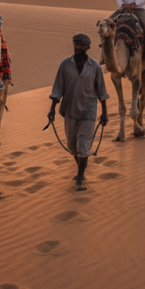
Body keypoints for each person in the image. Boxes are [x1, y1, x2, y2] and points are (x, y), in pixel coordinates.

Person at [48, 33, 109, 191]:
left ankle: (79, 180)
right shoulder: (65, 65)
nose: (78, 47)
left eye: (81, 44)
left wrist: (104, 112)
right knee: (72, 145)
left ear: (88, 47)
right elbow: (58, 88)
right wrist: (52, 109)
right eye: (76, 44)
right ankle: (81, 170)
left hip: (89, 110)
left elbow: (101, 90)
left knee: (83, 146)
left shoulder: (95, 66)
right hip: (70, 109)